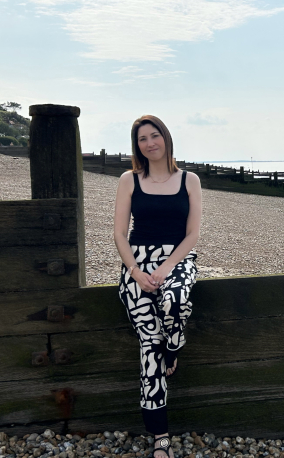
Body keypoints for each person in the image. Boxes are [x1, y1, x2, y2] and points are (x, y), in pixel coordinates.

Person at [113, 115, 202, 458]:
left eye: (155, 136)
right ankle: (161, 440)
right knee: (149, 349)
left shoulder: (189, 180)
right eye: (142, 139)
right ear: (137, 146)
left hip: (177, 260)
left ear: (166, 138)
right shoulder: (129, 180)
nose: (150, 143)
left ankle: (175, 347)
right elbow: (119, 233)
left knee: (175, 299)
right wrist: (135, 272)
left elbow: (192, 234)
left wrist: (166, 267)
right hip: (136, 266)